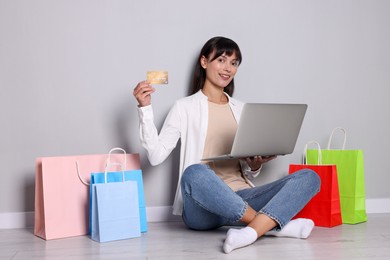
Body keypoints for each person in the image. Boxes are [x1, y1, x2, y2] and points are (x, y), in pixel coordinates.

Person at [132, 36, 320, 254]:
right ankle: (273, 226)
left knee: (310, 177)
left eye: (234, 63)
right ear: (204, 62)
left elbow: (248, 170)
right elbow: (155, 156)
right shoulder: (184, 107)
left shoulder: (241, 109)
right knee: (194, 172)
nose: (228, 68)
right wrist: (144, 109)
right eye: (221, 60)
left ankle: (249, 231)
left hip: (241, 198)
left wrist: (256, 164)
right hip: (202, 207)